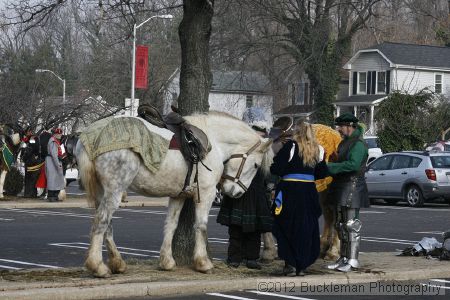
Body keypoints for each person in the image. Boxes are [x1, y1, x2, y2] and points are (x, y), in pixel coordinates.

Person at [216, 107, 273, 270]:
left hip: (256, 191)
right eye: (257, 129)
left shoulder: (265, 147)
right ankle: (235, 257)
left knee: (254, 229)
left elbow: (269, 169)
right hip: (238, 188)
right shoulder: (239, 144)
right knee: (236, 228)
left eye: (261, 130)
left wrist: (270, 185)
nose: (259, 133)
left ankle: (251, 258)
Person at [271, 121, 328, 276]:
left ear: (297, 132)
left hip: (290, 190)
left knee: (286, 225)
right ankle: (301, 265)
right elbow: (322, 173)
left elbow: (276, 168)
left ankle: (290, 263)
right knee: (306, 227)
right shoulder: (319, 150)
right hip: (309, 191)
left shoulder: (291, 146)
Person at [326, 113, 369, 272]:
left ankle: (352, 260)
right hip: (342, 185)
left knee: (352, 225)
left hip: (353, 186)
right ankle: (343, 257)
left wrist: (331, 167)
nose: (339, 130)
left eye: (341, 126)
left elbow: (354, 165)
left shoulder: (358, 144)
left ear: (349, 126)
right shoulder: (345, 143)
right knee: (340, 225)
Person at [45, 128, 65, 202]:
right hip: (52, 161)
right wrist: (58, 164)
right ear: (54, 134)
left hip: (55, 160)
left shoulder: (56, 141)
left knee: (56, 179)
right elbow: (54, 154)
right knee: (52, 179)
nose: (60, 135)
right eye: (58, 134)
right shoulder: (53, 141)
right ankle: (51, 196)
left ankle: (55, 195)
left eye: (60, 133)